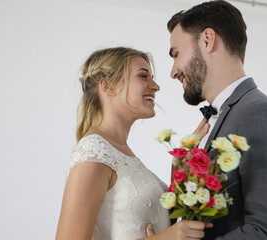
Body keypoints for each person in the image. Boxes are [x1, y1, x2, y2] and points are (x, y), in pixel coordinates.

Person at [160, 1, 267, 239]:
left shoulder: (260, 114)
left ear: (207, 40)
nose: (173, 71)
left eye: (177, 54)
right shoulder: (222, 116)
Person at [55, 47, 212, 240]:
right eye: (143, 76)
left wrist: (179, 173)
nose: (156, 86)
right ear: (108, 86)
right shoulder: (93, 151)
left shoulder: (120, 153)